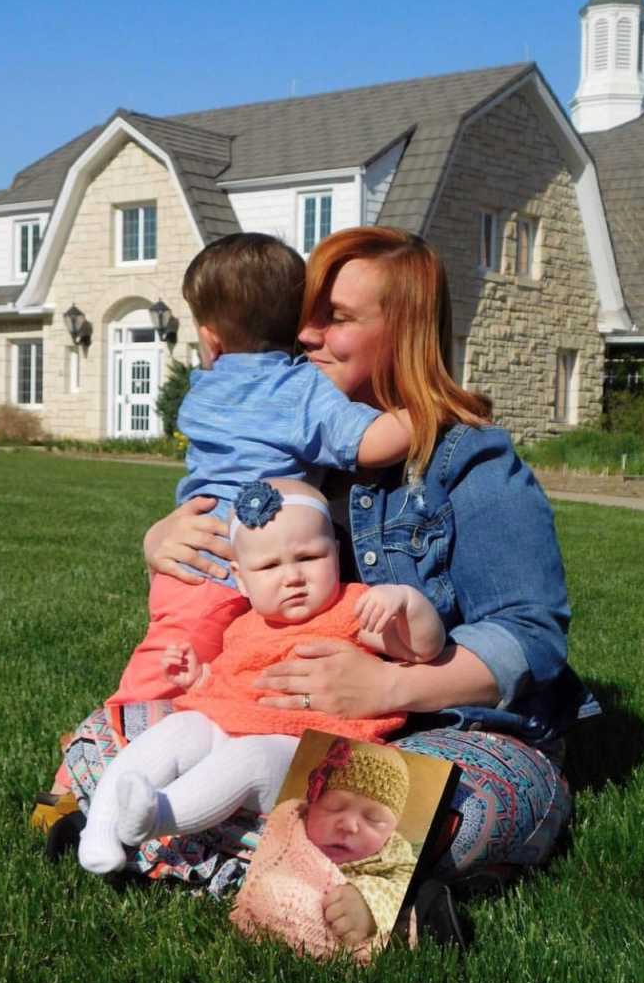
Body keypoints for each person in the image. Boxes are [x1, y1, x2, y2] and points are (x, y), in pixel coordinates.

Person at [54, 226, 596, 886]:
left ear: (403, 332)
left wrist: (390, 687)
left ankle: (191, 844)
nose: (304, 335)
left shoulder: (471, 460)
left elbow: (532, 636)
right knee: (119, 729)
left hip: (432, 729)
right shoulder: (292, 455)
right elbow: (233, 593)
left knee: (479, 803)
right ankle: (324, 873)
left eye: (333, 319)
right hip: (277, 726)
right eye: (304, 317)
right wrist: (162, 544)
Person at [102, 232, 413, 713]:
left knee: (185, 670)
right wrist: (432, 410)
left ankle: (146, 756)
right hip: (223, 567)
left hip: (194, 556)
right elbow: (373, 443)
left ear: (210, 338)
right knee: (160, 683)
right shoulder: (296, 388)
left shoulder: (205, 386)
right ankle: (101, 770)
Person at [77, 479, 445, 875]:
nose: (292, 577)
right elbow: (234, 683)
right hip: (235, 730)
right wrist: (199, 679)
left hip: (310, 755)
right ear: (240, 577)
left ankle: (157, 818)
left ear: (336, 554)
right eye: (269, 566)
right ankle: (100, 828)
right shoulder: (246, 623)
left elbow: (424, 647)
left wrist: (408, 604)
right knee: (179, 728)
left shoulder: (353, 608)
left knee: (250, 757)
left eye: (309, 557)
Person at [231, 737, 416, 962]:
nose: (349, 825)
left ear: (391, 831)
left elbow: (404, 887)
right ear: (312, 805)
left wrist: (369, 904)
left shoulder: (393, 854)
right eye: (334, 807)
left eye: (373, 819)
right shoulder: (291, 825)